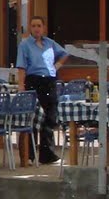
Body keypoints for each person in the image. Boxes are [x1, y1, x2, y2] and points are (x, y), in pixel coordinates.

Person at [16, 15, 72, 166]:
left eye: (39, 26)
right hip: (33, 81)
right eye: (33, 26)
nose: (36, 29)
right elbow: (21, 66)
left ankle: (47, 155)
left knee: (49, 118)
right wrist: (21, 86)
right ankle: (29, 155)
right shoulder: (25, 45)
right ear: (30, 28)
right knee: (33, 119)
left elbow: (65, 54)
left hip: (49, 82)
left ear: (43, 28)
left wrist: (56, 66)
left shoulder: (50, 43)